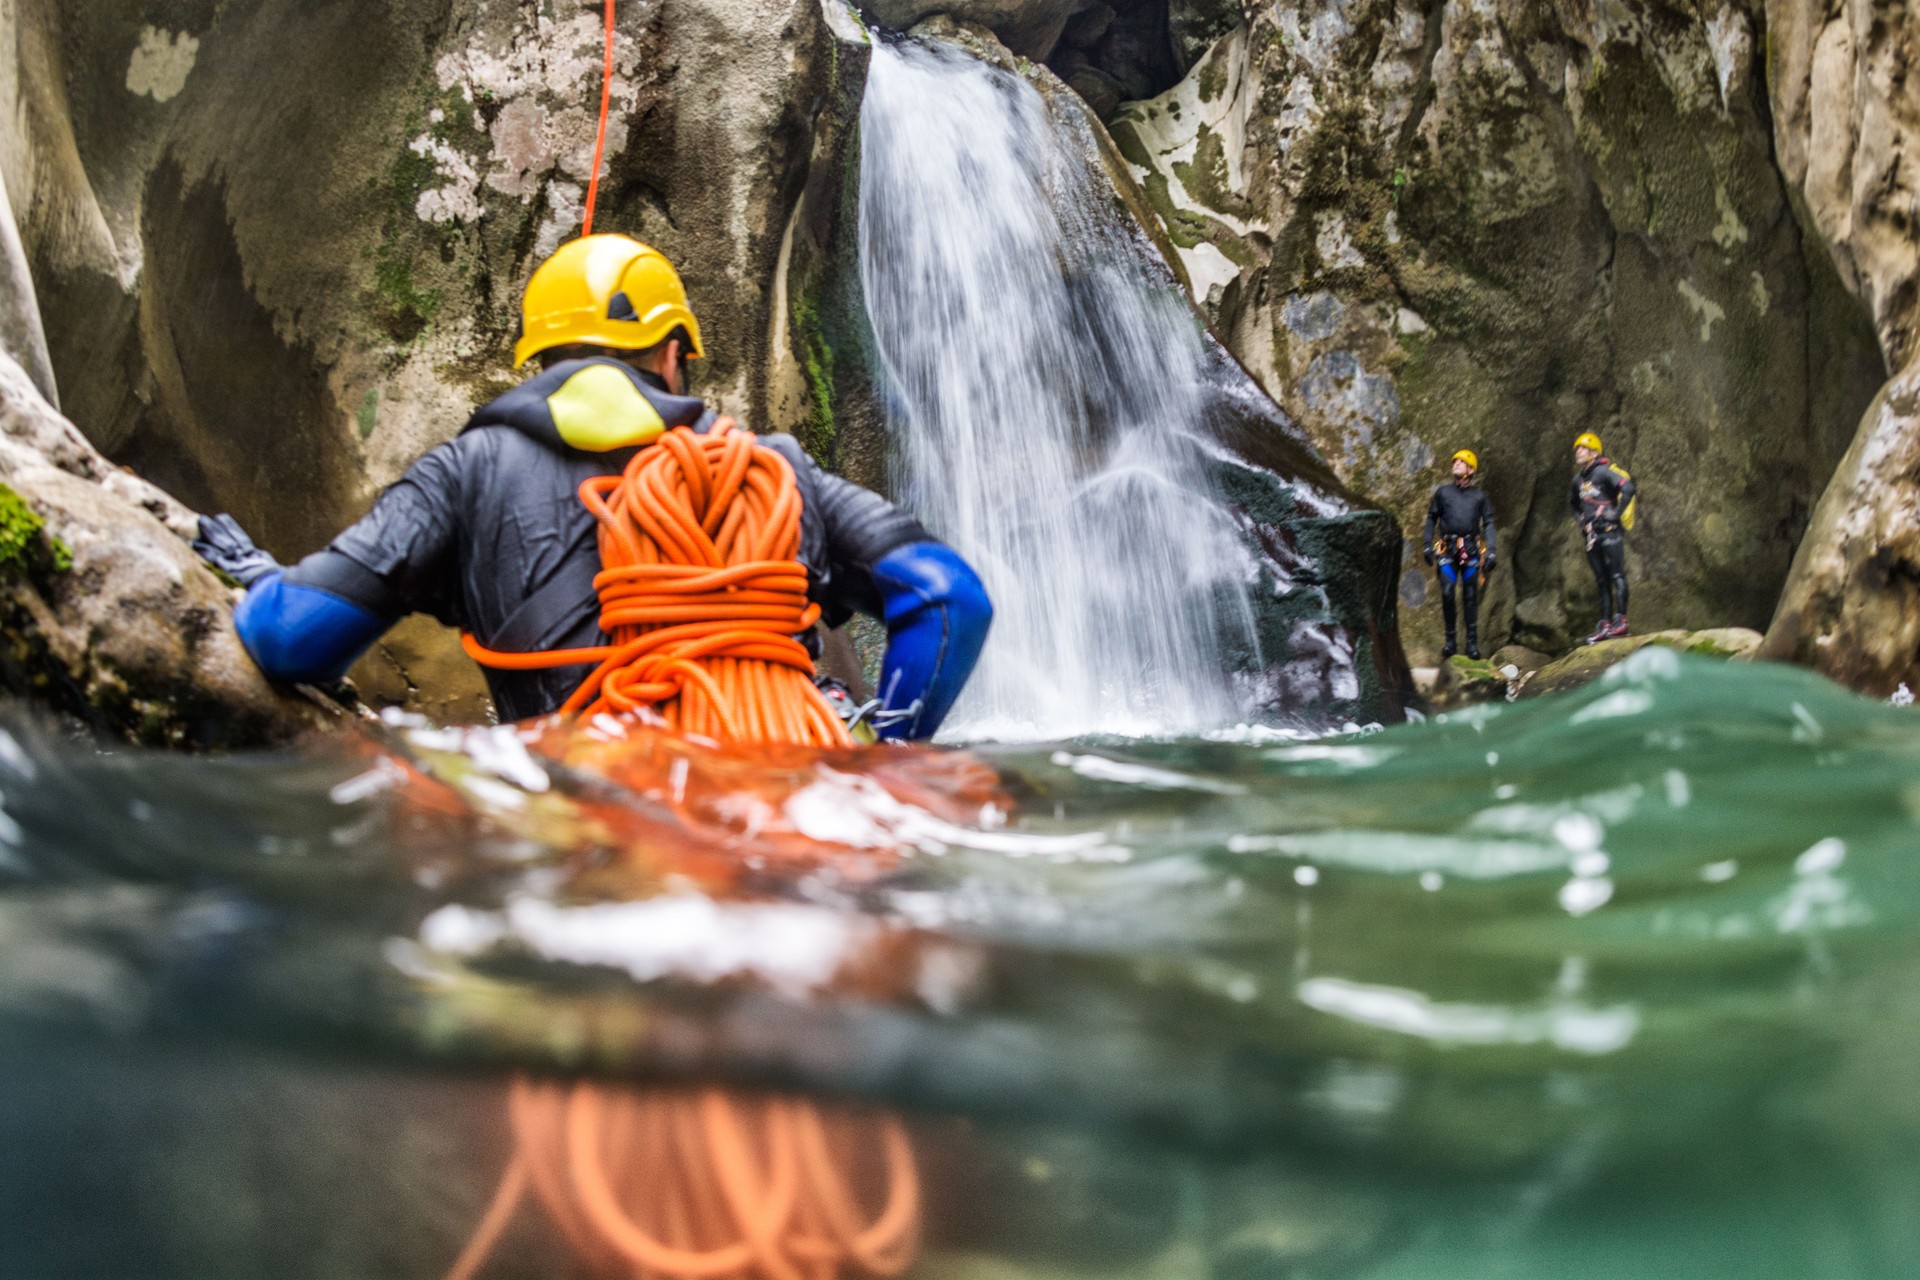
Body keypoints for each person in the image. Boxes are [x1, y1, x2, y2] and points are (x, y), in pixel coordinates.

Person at [193, 234, 991, 740]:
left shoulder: (464, 475)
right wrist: (885, 754)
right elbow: (953, 599)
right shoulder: (771, 468)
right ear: (674, 353)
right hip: (794, 808)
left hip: (589, 835)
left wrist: (266, 583)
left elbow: (288, 640)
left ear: (541, 360)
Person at [1422, 448, 1496, 660]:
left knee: (1470, 595)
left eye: (1461, 462)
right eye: (1455, 461)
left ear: (1470, 469)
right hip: (1448, 550)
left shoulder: (1479, 496)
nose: (1455, 463)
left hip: (1471, 550)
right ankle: (1451, 641)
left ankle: (1472, 643)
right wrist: (1427, 545)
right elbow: (1431, 518)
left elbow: (1489, 522)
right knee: (1447, 592)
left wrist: (1491, 551)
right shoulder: (1443, 493)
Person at [1569, 431, 1636, 645]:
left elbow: (1628, 487)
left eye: (1583, 448)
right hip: (1592, 536)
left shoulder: (1603, 473)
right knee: (1601, 580)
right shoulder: (1578, 480)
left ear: (1594, 452)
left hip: (1610, 532)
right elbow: (1573, 503)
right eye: (1577, 448)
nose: (1578, 451)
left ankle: (1622, 621)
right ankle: (1605, 622)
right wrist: (1582, 522)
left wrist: (1615, 514)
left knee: (1617, 575)